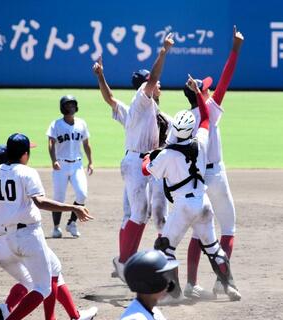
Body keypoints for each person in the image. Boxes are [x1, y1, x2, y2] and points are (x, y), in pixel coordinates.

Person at [0, 133, 93, 320]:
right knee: (42, 288)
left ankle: (67, 316)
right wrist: (73, 207)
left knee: (54, 268)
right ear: (25, 154)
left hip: (9, 238)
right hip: (29, 235)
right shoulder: (27, 172)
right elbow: (40, 202)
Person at [142, 76, 241, 302]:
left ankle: (172, 291)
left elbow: (146, 170)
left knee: (164, 247)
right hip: (203, 203)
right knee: (214, 249)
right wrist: (198, 93)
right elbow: (205, 116)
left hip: (184, 207)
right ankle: (229, 285)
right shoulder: (201, 142)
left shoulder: (167, 155)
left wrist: (147, 158)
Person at [167, 25, 244, 298]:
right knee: (229, 228)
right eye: (206, 90)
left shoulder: (183, 119)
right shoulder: (209, 110)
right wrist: (235, 48)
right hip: (216, 178)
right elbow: (225, 80)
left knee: (198, 234)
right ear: (202, 95)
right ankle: (223, 282)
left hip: (194, 182)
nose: (211, 92)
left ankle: (190, 284)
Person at [92, 33, 174, 281]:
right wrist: (162, 53)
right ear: (144, 84)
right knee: (140, 214)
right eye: (152, 82)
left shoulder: (142, 110)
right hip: (138, 163)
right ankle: (125, 262)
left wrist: (100, 76)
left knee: (153, 214)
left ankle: (142, 260)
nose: (158, 84)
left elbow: (109, 99)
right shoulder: (141, 99)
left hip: (148, 163)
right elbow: (154, 78)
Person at [47, 95, 93, 238]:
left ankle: (71, 223)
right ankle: (56, 228)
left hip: (77, 165)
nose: (71, 107)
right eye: (68, 105)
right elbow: (51, 143)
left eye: (72, 104)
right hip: (61, 164)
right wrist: (54, 160)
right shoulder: (56, 124)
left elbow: (86, 144)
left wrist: (90, 161)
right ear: (62, 107)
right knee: (58, 199)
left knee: (82, 194)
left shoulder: (81, 123)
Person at [120, 250, 178, 320]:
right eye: (165, 277)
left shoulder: (154, 311)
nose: (169, 282)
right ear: (153, 283)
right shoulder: (135, 318)